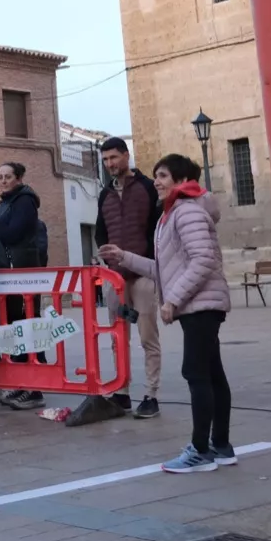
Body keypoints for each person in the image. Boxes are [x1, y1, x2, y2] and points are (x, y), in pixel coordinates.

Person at [100, 154, 233, 474]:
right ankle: (221, 446)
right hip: (199, 304)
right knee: (212, 374)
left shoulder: (186, 212)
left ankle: (200, 451)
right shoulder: (172, 213)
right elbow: (166, 268)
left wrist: (172, 301)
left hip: (201, 305)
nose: (156, 182)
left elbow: (203, 260)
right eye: (156, 175)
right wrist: (125, 257)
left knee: (197, 374)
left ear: (182, 181)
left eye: (162, 176)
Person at [94, 136, 162, 419]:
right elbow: (100, 231)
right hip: (115, 279)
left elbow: (157, 229)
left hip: (143, 275)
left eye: (113, 157)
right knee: (117, 338)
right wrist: (107, 260)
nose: (110, 163)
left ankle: (151, 395)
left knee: (148, 337)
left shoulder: (148, 187)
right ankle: (121, 392)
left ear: (126, 156)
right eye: (105, 159)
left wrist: (152, 264)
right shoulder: (105, 194)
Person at [0, 161, 45, 410]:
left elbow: (11, 234)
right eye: (0, 177)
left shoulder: (25, 201)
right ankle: (19, 383)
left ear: (19, 178)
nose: (3, 181)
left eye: (8, 176)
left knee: (25, 329)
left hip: (20, 275)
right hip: (3, 276)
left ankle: (34, 388)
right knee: (13, 331)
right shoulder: (5, 203)